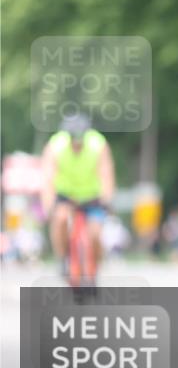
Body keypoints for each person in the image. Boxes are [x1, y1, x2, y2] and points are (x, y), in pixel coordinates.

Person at [40, 113, 116, 282]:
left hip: (92, 197)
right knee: (59, 220)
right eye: (73, 138)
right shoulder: (55, 146)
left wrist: (107, 199)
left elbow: (106, 174)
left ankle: (94, 269)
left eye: (80, 138)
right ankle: (62, 259)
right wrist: (48, 205)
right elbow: (47, 178)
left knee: (95, 233)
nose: (77, 142)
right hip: (65, 195)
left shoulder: (98, 144)